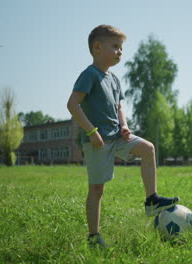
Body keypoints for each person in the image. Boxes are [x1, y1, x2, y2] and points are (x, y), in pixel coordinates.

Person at [67, 25, 179, 248]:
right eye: (115, 46)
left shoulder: (114, 79)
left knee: (148, 148)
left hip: (117, 136)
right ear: (97, 47)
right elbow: (72, 104)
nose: (120, 51)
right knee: (97, 189)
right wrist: (91, 131)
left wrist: (125, 125)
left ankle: (152, 200)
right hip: (97, 141)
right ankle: (94, 238)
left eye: (121, 47)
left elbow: (119, 107)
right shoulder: (89, 75)